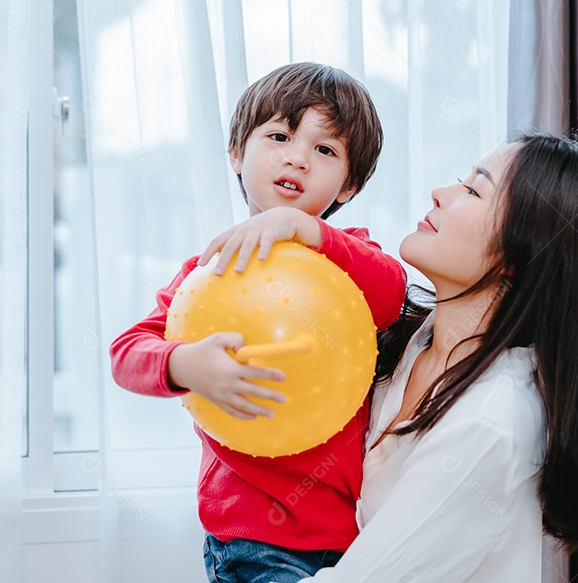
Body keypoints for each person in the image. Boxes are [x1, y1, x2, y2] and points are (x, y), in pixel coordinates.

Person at [110, 62, 408, 583]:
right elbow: (126, 352)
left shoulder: (349, 256)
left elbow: (392, 293)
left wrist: (304, 229)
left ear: (349, 186)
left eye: (325, 150)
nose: (297, 156)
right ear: (236, 153)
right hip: (252, 537)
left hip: (352, 536)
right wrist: (185, 363)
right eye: (279, 135)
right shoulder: (210, 272)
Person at [301, 134, 578, 582]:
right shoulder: (410, 340)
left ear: (523, 252)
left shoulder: (488, 424)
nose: (440, 194)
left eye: (473, 190)